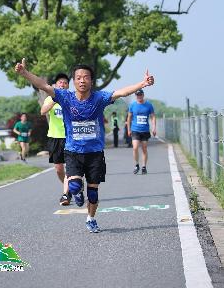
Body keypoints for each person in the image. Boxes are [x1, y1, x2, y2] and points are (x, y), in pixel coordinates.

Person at [15, 59, 154, 233]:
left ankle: (91, 219)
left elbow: (121, 92)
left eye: (86, 77)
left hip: (95, 153)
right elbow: (43, 85)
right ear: (74, 81)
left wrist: (143, 83)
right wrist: (24, 73)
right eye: (78, 77)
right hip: (73, 151)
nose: (82, 80)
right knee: (73, 186)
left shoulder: (99, 98)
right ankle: (77, 190)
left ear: (91, 81)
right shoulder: (65, 97)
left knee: (94, 193)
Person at [41, 73, 72, 206]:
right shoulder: (50, 98)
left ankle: (66, 194)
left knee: (71, 167)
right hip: (54, 137)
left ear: (68, 85)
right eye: (60, 82)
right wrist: (55, 100)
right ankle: (71, 187)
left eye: (65, 82)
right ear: (55, 85)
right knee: (59, 169)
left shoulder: (72, 98)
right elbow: (43, 111)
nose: (62, 84)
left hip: (70, 137)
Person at [127, 89, 156, 175]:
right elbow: (129, 118)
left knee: (144, 148)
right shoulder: (132, 105)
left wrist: (154, 128)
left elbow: (153, 117)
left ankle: (144, 167)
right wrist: (128, 129)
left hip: (145, 130)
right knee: (135, 147)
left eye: (140, 95)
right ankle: (136, 165)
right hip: (135, 129)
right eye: (137, 95)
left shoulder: (149, 105)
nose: (139, 96)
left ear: (143, 95)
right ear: (136, 96)